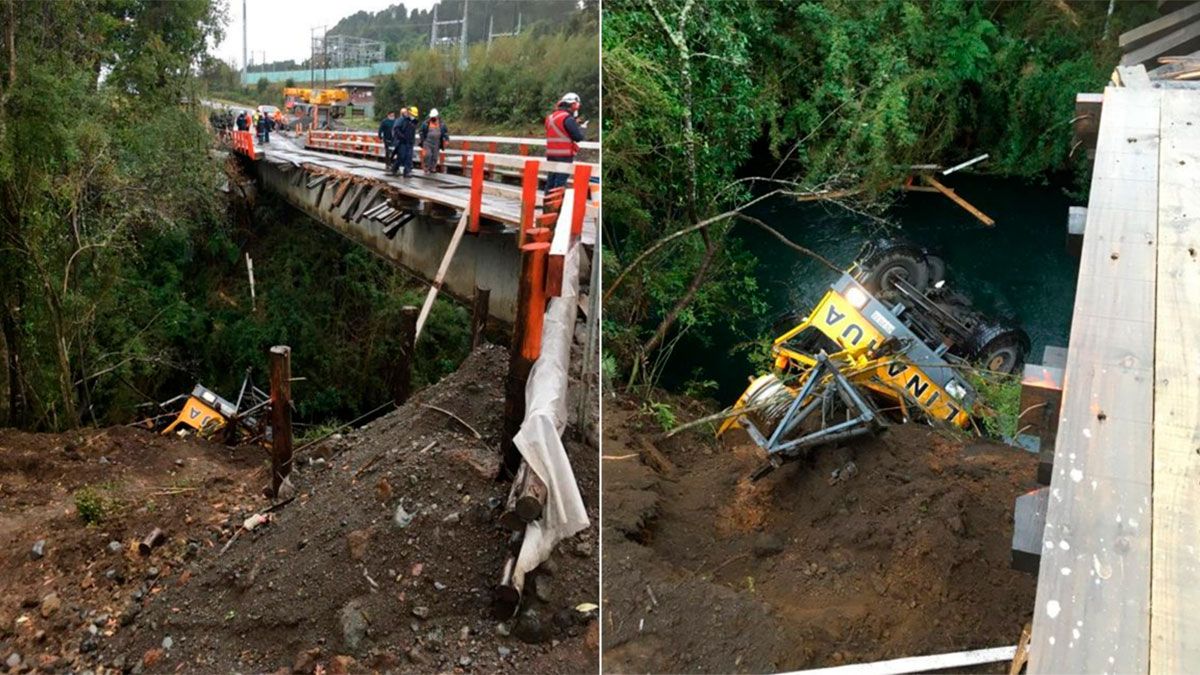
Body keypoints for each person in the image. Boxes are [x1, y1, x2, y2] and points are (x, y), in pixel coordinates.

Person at [545, 92, 587, 194]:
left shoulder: (550, 118)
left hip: (551, 154)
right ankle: (556, 208)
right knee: (559, 183)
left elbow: (559, 131)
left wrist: (573, 123)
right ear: (573, 104)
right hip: (564, 156)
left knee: (550, 182)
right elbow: (578, 137)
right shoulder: (567, 118)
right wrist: (582, 128)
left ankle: (547, 207)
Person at [418, 108, 449, 173]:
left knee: (435, 156)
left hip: (437, 142)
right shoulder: (426, 123)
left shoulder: (441, 124)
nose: (433, 118)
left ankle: (433, 168)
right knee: (427, 155)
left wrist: (446, 140)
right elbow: (421, 131)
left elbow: (445, 133)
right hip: (427, 142)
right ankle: (426, 167)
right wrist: (422, 139)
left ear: (437, 116)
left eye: (434, 117)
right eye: (432, 117)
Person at [390, 106, 418, 177]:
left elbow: (413, 132)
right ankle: (394, 168)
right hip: (402, 142)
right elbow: (396, 129)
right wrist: (402, 137)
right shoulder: (401, 120)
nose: (413, 116)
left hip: (410, 142)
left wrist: (412, 140)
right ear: (409, 113)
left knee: (409, 157)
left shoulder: (414, 122)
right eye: (412, 115)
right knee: (401, 157)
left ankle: (407, 172)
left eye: (414, 115)